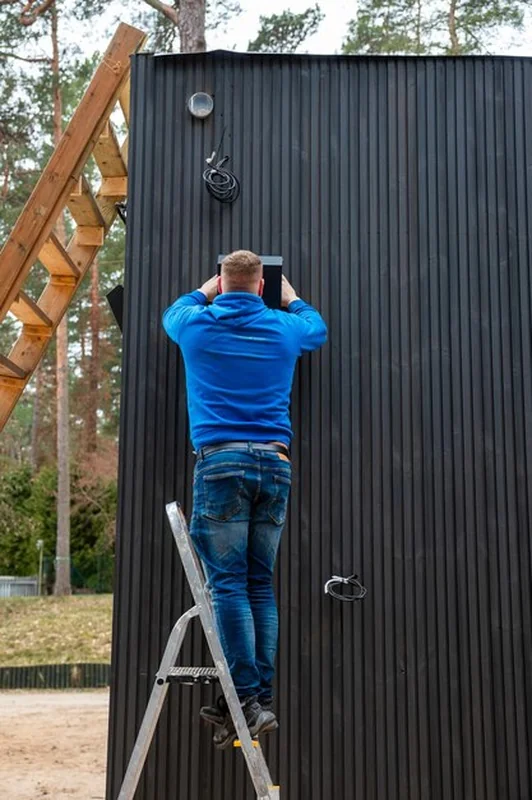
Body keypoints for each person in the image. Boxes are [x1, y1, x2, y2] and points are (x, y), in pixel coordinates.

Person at [162, 250, 327, 748]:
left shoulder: (197, 325)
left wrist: (206, 289)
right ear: (260, 286)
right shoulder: (284, 327)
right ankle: (257, 700)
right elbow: (317, 329)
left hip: (221, 464)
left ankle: (248, 700)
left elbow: (174, 312)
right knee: (258, 585)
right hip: (274, 466)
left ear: (220, 283)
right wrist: (292, 298)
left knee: (229, 586)